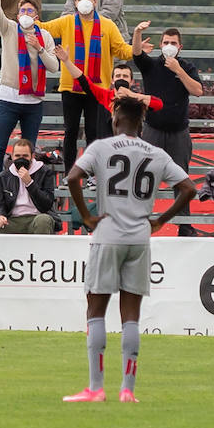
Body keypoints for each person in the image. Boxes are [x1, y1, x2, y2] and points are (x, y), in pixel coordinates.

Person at [63, 97, 196, 403]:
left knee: (96, 312)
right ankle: (127, 390)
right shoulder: (157, 153)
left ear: (115, 118)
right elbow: (189, 187)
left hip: (107, 234)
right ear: (142, 122)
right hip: (139, 238)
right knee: (131, 316)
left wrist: (85, 215)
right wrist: (160, 220)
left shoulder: (101, 147)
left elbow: (72, 177)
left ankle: (96, 388)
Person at [41, 0, 134, 171]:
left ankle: (92, 173)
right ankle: (70, 173)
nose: (84, 2)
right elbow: (43, 29)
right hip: (70, 87)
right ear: (74, 3)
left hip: (97, 88)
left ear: (95, 1)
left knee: (94, 133)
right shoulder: (66, 22)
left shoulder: (107, 25)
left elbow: (122, 50)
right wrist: (26, 18)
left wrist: (138, 50)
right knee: (71, 133)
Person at [0, 0, 57, 192]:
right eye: (22, 12)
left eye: (30, 11)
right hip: (9, 97)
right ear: (17, 15)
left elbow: (54, 67)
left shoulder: (44, 35)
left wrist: (40, 48)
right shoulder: (9, 29)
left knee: (29, 150)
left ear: (36, 15)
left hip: (33, 102)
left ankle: (25, 189)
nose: (26, 15)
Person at [130, 25, 203, 235]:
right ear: (160, 45)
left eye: (173, 43)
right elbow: (136, 53)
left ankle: (184, 224)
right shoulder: (152, 65)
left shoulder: (187, 67)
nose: (169, 46)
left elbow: (197, 90)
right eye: (166, 43)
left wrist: (178, 70)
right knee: (145, 176)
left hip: (178, 131)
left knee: (181, 178)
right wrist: (137, 33)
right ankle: (139, 221)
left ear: (180, 47)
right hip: (153, 129)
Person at [54, 50, 166, 141]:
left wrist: (131, 95)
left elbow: (158, 104)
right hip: (106, 147)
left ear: (131, 81)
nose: (121, 78)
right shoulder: (104, 95)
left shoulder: (137, 99)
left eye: (125, 76)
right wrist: (67, 61)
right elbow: (83, 80)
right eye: (118, 76)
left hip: (131, 147)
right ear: (112, 80)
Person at [0, 138, 59, 234]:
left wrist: (30, 183)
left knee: (43, 220)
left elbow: (47, 204)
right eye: (17, 156)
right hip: (13, 219)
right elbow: (0, 203)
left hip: (36, 217)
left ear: (32, 156)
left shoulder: (45, 172)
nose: (21, 159)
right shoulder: (3, 176)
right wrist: (0, 215)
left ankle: (41, 249)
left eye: (25, 156)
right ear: (12, 156)